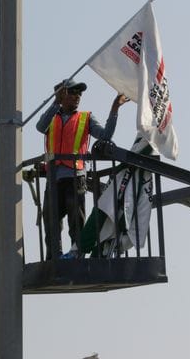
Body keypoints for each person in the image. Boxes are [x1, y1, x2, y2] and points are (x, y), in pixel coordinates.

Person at [36, 79, 129, 259]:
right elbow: (40, 127)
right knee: (51, 222)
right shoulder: (51, 118)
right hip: (53, 178)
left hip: (75, 177)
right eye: (73, 93)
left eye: (79, 94)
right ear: (62, 95)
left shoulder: (85, 118)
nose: (77, 97)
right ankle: (54, 258)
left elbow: (105, 136)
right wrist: (55, 102)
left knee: (76, 221)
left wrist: (114, 109)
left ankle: (76, 256)